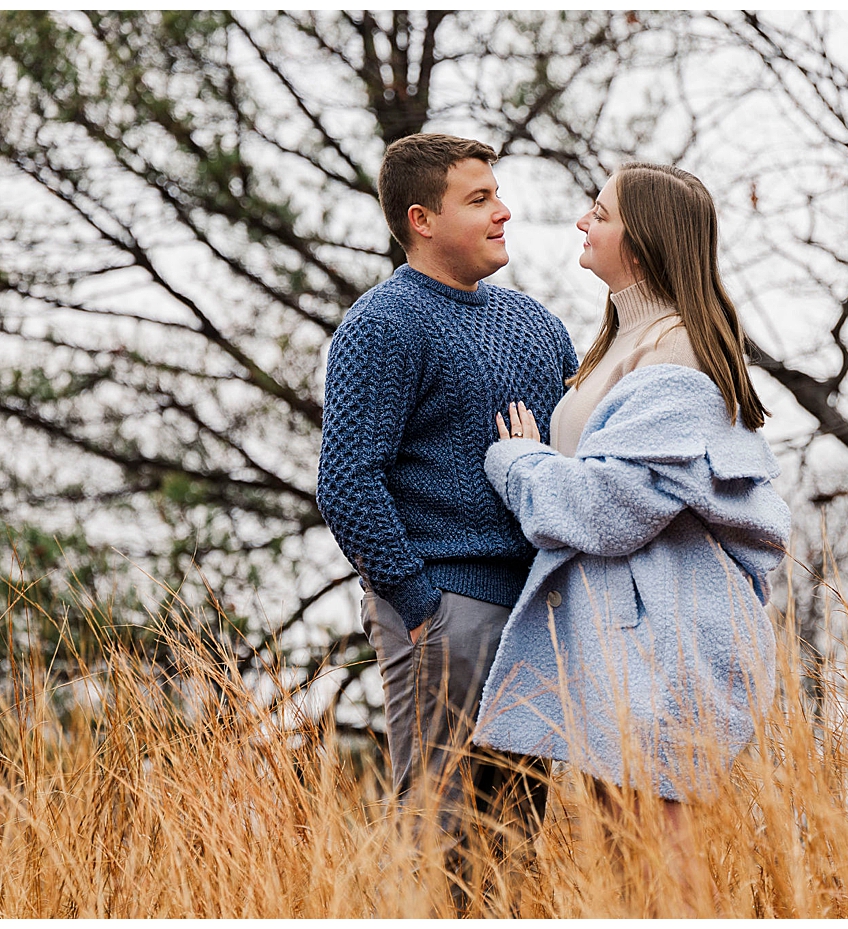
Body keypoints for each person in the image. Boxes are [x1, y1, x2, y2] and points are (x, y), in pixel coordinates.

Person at [470, 162, 788, 910]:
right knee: (627, 848)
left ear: (641, 243)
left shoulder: (677, 355)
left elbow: (607, 508)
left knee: (656, 847)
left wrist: (517, 462)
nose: (583, 222)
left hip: (664, 634)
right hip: (623, 633)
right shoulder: (624, 341)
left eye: (601, 213)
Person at [315, 133, 574, 880]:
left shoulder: (536, 323)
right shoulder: (383, 323)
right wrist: (419, 605)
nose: (504, 212)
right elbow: (348, 481)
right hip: (445, 616)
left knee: (518, 846)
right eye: (480, 199)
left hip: (538, 617)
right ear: (422, 219)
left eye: (497, 194)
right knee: (443, 841)